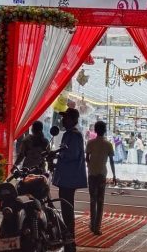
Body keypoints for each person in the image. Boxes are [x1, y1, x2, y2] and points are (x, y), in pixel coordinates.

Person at [53, 108, 87, 252]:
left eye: (66, 118)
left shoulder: (74, 135)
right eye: (63, 118)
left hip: (69, 178)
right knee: (66, 209)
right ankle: (68, 241)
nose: (63, 120)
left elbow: (72, 154)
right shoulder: (69, 134)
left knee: (67, 210)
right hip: (66, 177)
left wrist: (57, 155)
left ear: (73, 120)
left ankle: (70, 243)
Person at [85, 121, 118, 235]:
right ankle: (97, 227)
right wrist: (114, 175)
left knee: (92, 200)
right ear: (105, 131)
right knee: (100, 201)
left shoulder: (90, 143)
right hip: (102, 175)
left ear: (95, 130)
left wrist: (90, 166)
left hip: (92, 175)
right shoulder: (108, 144)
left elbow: (87, 158)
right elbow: (112, 161)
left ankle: (92, 224)